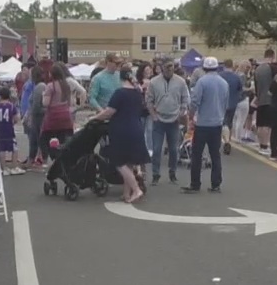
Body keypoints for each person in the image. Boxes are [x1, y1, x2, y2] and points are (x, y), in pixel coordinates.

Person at [89, 65, 148, 203]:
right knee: (129, 163)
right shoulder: (137, 93)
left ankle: (136, 189)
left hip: (122, 130)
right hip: (137, 129)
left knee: (119, 162)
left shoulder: (119, 93)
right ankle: (126, 194)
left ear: (120, 77)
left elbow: (109, 112)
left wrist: (94, 118)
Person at [184, 57, 229, 193]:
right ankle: (216, 184)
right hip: (217, 122)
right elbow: (225, 102)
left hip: (203, 123)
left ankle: (195, 183)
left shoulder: (202, 82)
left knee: (197, 154)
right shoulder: (223, 83)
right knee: (215, 154)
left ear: (204, 68)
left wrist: (191, 116)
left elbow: (195, 101)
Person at [147, 62, 189, 186]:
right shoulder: (154, 82)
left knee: (174, 149)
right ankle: (155, 174)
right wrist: (153, 115)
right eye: (166, 68)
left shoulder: (181, 81)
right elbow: (149, 100)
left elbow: (185, 99)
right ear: (162, 68)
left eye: (171, 68)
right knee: (156, 149)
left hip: (174, 119)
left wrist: (181, 113)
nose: (169, 70)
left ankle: (172, 173)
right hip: (159, 119)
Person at [38, 65, 75, 162]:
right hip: (66, 115)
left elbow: (45, 103)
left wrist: (43, 96)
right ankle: (64, 158)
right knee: (63, 138)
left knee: (44, 138)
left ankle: (52, 157)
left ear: (52, 74)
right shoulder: (66, 85)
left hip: (53, 116)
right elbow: (71, 102)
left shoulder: (51, 86)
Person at [0, 88, 23, 176]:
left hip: (0, 130)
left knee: (1, 149)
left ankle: (4, 168)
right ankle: (14, 167)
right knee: (14, 148)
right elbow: (17, 118)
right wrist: (13, 122)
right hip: (9, 129)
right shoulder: (11, 106)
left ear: (0, 96)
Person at [253, 48, 277, 151]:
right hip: (270, 99)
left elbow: (256, 86)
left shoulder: (257, 69)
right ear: (272, 56)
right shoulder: (272, 68)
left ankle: (261, 144)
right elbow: (276, 83)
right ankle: (265, 145)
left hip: (260, 98)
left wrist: (257, 96)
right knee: (268, 125)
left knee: (260, 124)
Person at [220, 59, 244, 155]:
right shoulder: (236, 77)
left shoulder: (220, 76)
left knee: (223, 122)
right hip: (233, 102)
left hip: (222, 103)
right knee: (229, 122)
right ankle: (228, 140)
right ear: (232, 65)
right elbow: (240, 89)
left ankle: (225, 141)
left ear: (224, 65)